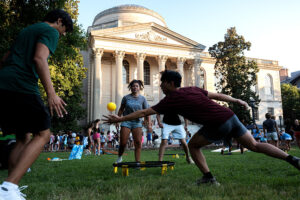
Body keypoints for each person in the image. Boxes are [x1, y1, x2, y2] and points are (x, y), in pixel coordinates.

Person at [103, 70, 300, 185]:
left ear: (171, 83)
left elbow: (144, 113)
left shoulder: (170, 100)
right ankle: (292, 159)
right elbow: (218, 96)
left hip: (218, 122)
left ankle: (208, 177)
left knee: (193, 146)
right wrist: (237, 100)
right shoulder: (192, 89)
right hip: (230, 116)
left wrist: (119, 120)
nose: (161, 86)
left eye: (163, 82)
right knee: (254, 145)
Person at [0, 9, 73, 199]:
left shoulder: (27, 31)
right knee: (43, 133)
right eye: (64, 30)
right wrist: (52, 94)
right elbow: (39, 58)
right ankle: (9, 187)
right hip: (22, 85)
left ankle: (7, 188)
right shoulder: (51, 31)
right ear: (59, 21)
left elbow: (5, 58)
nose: (62, 35)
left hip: (5, 84)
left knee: (23, 137)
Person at [115, 80, 150, 163]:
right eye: (133, 86)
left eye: (137, 86)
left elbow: (147, 111)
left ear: (139, 88)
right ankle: (120, 157)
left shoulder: (143, 99)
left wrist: (147, 121)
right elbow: (121, 109)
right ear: (130, 87)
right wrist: (117, 120)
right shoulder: (126, 98)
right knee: (123, 142)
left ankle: (137, 162)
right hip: (126, 121)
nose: (135, 87)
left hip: (137, 122)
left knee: (138, 142)